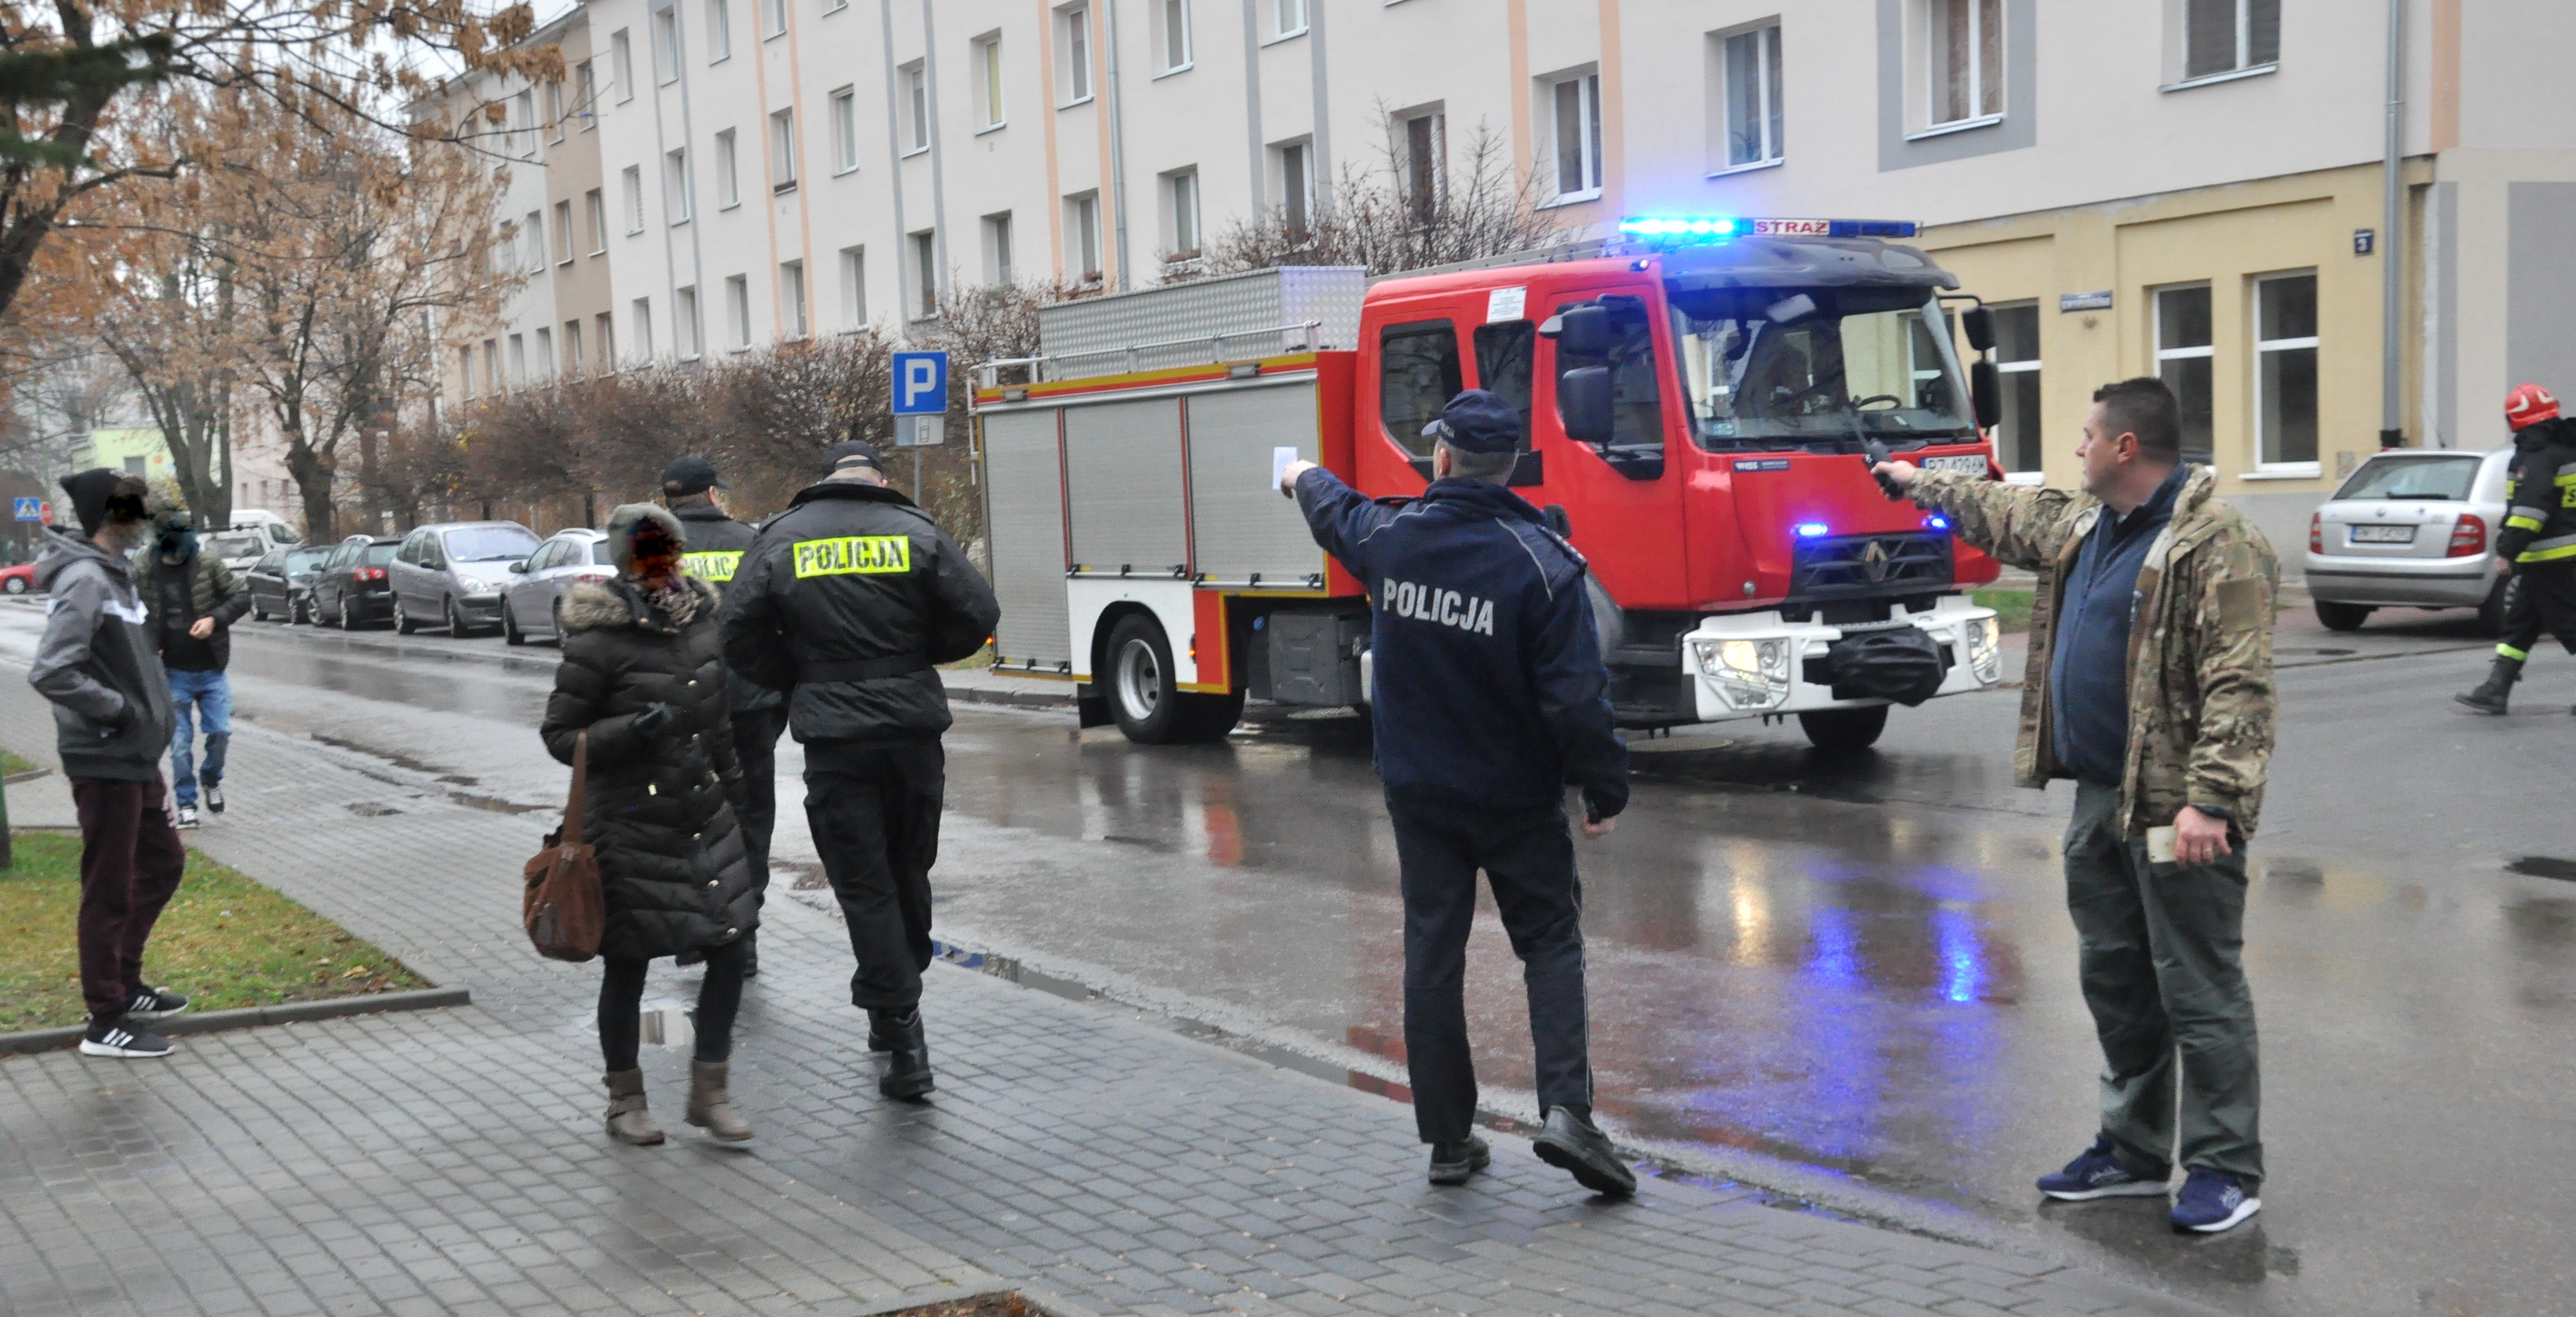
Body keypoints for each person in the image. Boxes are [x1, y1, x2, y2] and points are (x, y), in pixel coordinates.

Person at [1874, 377, 2276, 1234]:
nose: (2078, 449)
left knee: (2198, 989)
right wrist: (1916, 483)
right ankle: (2132, 1152)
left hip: (2181, 812)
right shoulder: (2088, 525)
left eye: (2088, 435)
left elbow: (2240, 684)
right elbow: (2006, 511)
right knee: (2117, 978)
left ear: (2125, 447)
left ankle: (2224, 1166)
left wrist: (2212, 800)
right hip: (2103, 799)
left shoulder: (2218, 543)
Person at [1279, 390, 1636, 1197]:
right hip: (1515, 802)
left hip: (1421, 798)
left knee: (1432, 954)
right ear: (1508, 464)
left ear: (1441, 457)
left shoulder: (1393, 540)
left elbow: (1337, 511)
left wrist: (1301, 474)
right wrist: (1603, 788)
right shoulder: (1545, 566)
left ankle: (1448, 1139)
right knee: (1548, 942)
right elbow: (1579, 702)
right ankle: (1569, 1114)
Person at [720, 440, 998, 1100]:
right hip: (911, 729)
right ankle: (897, 1002)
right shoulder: (916, 530)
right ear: (878, 480)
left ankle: (900, 1026)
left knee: (865, 883)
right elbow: (978, 614)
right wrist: (916, 655)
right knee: (908, 868)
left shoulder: (783, 537)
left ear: (825, 483)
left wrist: (799, 677)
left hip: (835, 737)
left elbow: (736, 631)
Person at [541, 503, 762, 1145]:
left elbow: (719, 720)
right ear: (624, 560)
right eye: (646, 552)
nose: (660, 564)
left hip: (702, 815)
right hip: (630, 823)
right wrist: (629, 732)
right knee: (629, 964)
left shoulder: (703, 624)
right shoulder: (597, 640)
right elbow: (560, 736)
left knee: (728, 948)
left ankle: (709, 1091)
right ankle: (625, 1101)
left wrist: (739, 794)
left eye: (667, 550)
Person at [28, 471, 190, 1059]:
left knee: (163, 862)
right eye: (134, 511)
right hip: (104, 756)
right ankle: (106, 1019)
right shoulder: (85, 579)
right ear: (109, 516)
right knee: (110, 886)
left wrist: (144, 729)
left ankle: (127, 982)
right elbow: (51, 670)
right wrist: (119, 712)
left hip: (134, 757)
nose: (144, 521)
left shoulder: (118, 579)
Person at [663, 454, 788, 978]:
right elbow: (777, 616)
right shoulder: (750, 540)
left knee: (689, 818)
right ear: (713, 494)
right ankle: (744, 934)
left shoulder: (654, 551)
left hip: (678, 706)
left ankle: (696, 932)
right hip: (749, 703)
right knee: (750, 816)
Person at [2456, 384, 2576, 715]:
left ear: (2515, 420)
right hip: (2558, 555)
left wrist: (2507, 550)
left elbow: (2530, 510)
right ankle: (2496, 688)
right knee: (2520, 625)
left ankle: (2496, 688)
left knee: (2569, 625)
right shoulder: (2566, 449)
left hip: (2551, 558)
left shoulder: (2537, 457)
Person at [133, 508, 251, 828]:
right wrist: (148, 641)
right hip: (172, 671)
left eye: (186, 542)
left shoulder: (208, 562)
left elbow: (241, 597)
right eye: (175, 543)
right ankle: (187, 806)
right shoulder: (144, 568)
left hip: (211, 667)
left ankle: (211, 778)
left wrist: (214, 619)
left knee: (221, 732)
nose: (182, 549)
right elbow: (132, 610)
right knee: (180, 743)